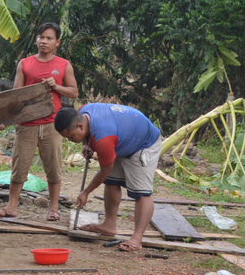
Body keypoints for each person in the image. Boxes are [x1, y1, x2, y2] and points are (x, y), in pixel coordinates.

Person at [0, 23, 78, 221]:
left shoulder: (64, 65)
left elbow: (74, 92)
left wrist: (56, 87)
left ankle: (54, 209)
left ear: (57, 42)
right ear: (36, 39)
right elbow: (15, 95)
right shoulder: (24, 63)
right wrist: (6, 118)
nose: (44, 41)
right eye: (41, 37)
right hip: (26, 124)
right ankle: (12, 206)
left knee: (53, 167)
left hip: (52, 125)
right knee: (19, 167)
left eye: (49, 38)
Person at [54, 103, 163, 252]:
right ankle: (109, 225)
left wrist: (86, 192)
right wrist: (86, 144)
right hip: (121, 139)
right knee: (111, 182)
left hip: (143, 143)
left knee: (141, 192)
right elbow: (88, 135)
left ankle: (137, 239)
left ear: (80, 126)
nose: (70, 140)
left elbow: (105, 170)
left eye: (71, 137)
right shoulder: (83, 111)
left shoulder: (104, 138)